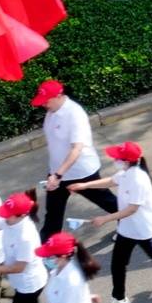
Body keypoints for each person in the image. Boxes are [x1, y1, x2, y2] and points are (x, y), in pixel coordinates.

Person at [67, 142, 152, 303]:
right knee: (117, 263)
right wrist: (84, 186)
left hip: (143, 229)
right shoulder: (126, 172)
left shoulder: (138, 179)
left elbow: (132, 209)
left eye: (117, 158)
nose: (114, 160)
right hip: (127, 229)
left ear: (126, 161)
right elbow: (111, 181)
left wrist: (105, 219)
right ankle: (120, 299)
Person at [34, 79, 119, 238]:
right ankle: (46, 248)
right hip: (57, 174)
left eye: (46, 101)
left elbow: (77, 148)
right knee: (53, 213)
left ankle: (129, 222)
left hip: (82, 172)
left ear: (59, 96)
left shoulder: (75, 114)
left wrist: (59, 175)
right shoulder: (51, 112)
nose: (44, 105)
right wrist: (56, 174)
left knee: (107, 201)